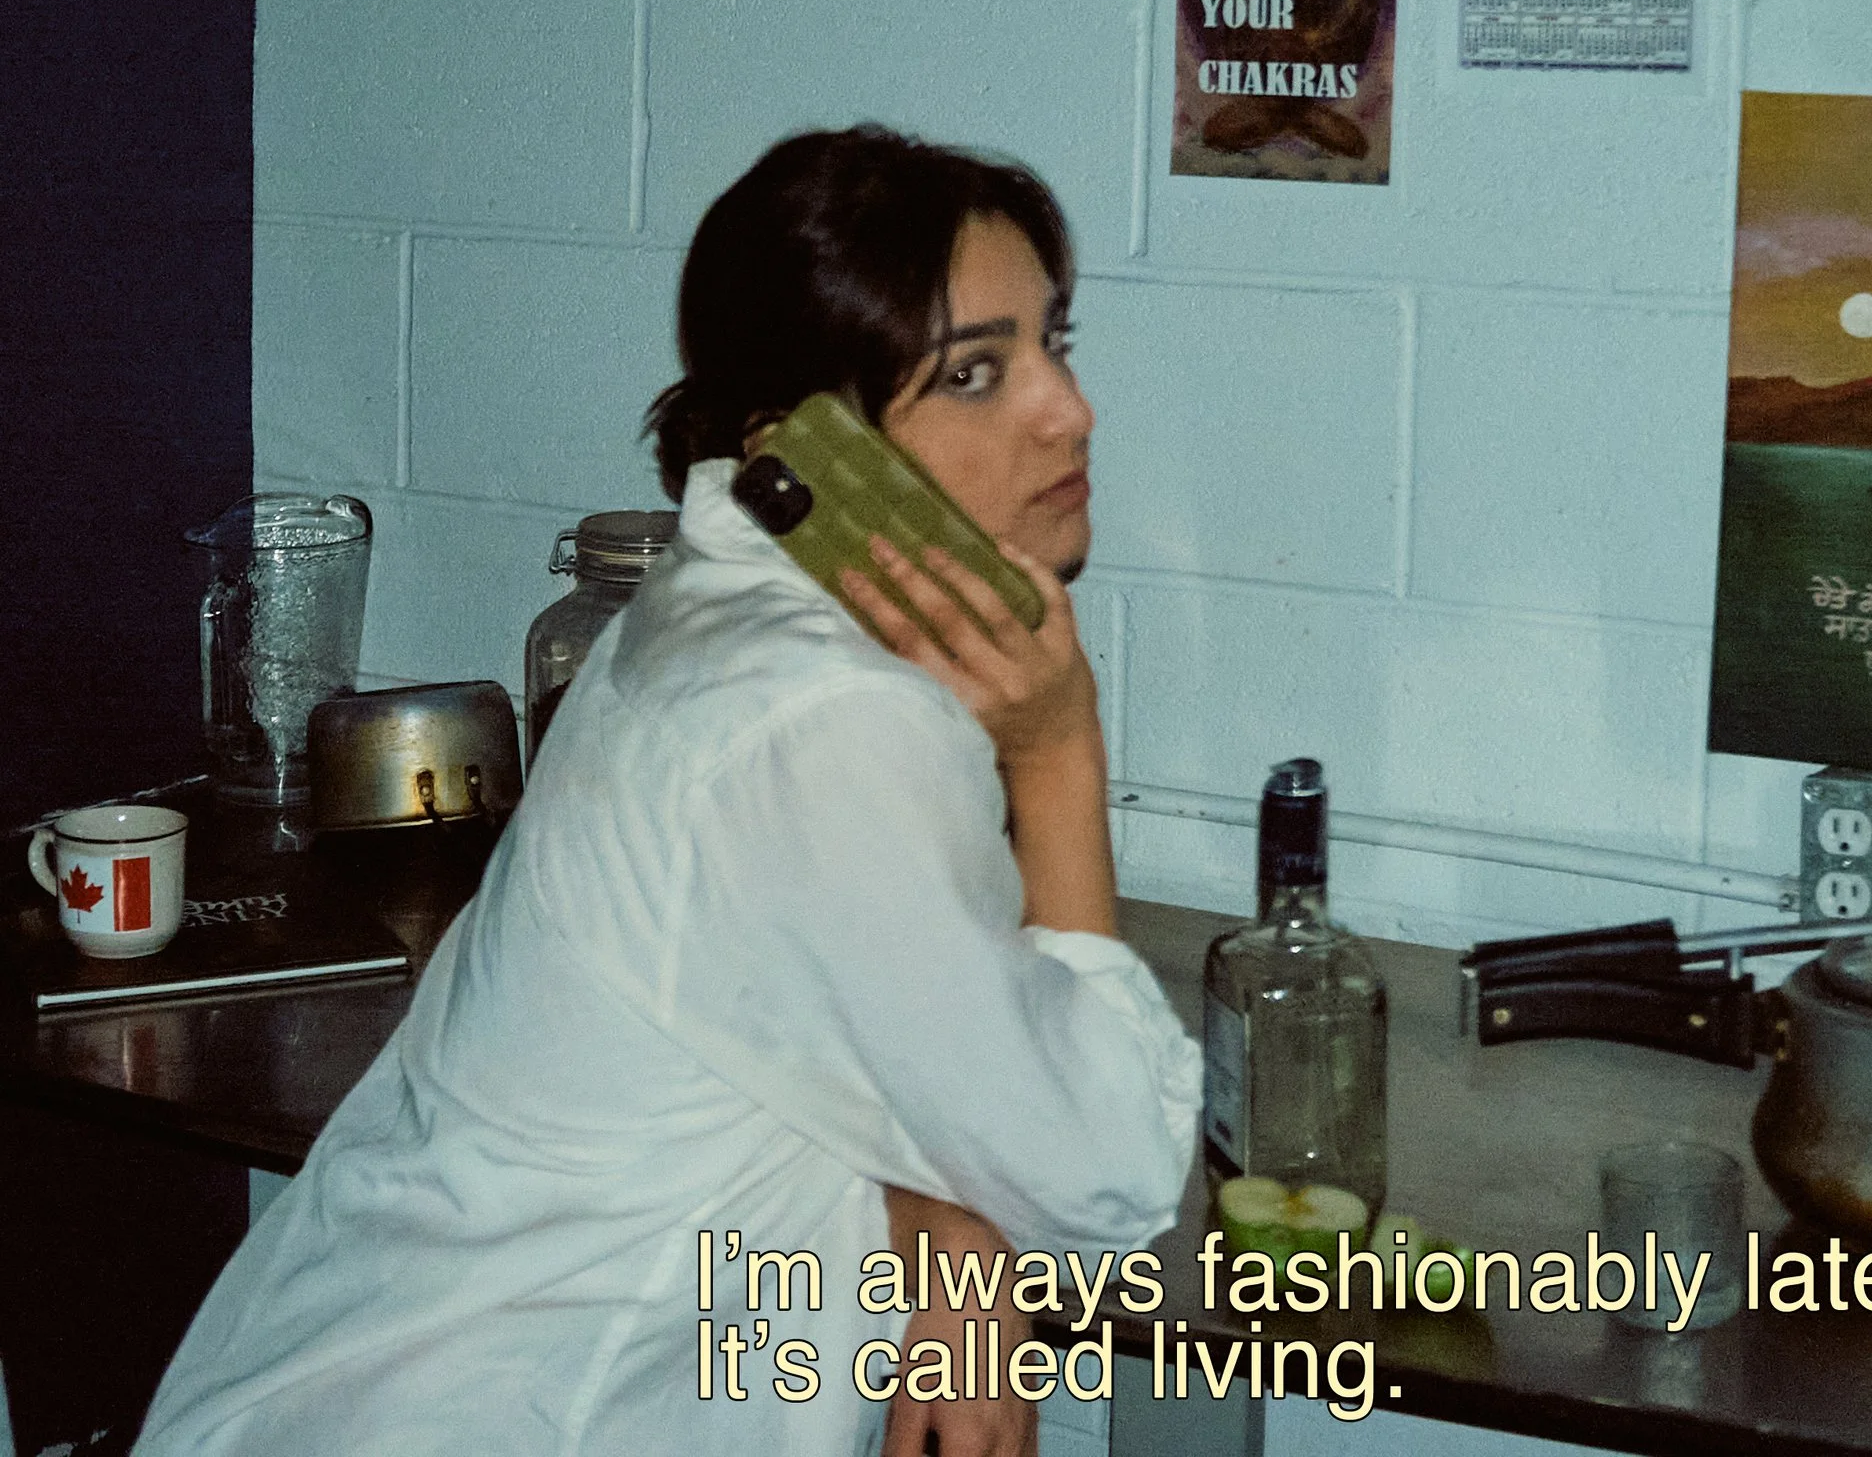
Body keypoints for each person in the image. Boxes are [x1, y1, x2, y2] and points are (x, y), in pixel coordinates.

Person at [135, 126, 1200, 1457]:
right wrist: (1060, 750)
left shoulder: (730, 610)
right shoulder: (826, 716)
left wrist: (951, 1225)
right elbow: (1108, 1169)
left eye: (1057, 343)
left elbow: (849, 1011)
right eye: (976, 373)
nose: (1068, 410)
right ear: (808, 446)